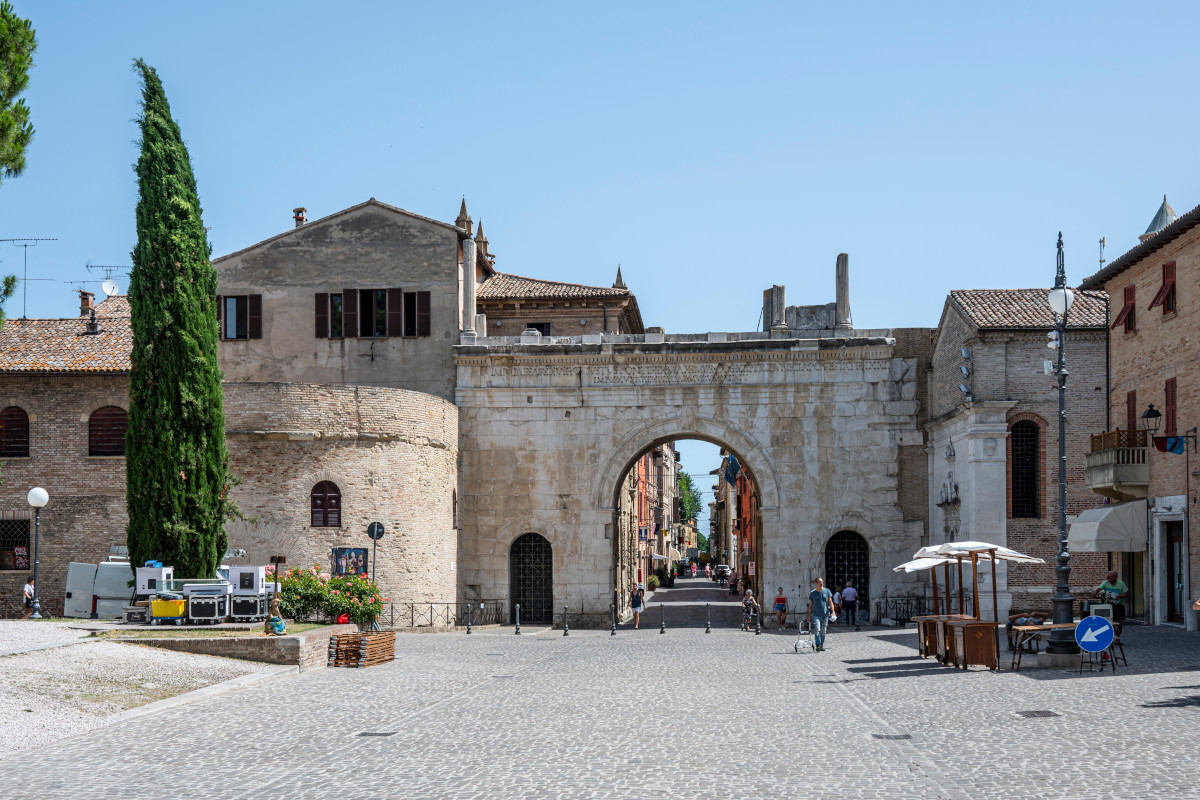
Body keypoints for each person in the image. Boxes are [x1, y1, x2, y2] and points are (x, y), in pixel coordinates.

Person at [1094, 571, 1129, 636]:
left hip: (1119, 605)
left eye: (1108, 577)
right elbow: (1099, 589)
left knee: (1120, 623)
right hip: (1108, 605)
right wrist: (1095, 593)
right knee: (1108, 622)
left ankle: (1117, 638)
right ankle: (1109, 636)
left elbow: (1127, 593)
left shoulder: (1120, 584)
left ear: (1114, 577)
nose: (1107, 578)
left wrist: (1119, 596)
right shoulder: (1105, 583)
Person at [807, 577, 835, 651]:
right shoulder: (813, 593)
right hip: (816, 615)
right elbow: (810, 605)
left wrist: (833, 611)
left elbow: (831, 603)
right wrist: (809, 616)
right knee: (817, 630)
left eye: (822, 581)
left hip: (825, 615)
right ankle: (818, 645)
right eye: (819, 582)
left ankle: (821, 645)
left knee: (823, 632)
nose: (821, 583)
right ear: (816, 584)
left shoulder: (827, 591)